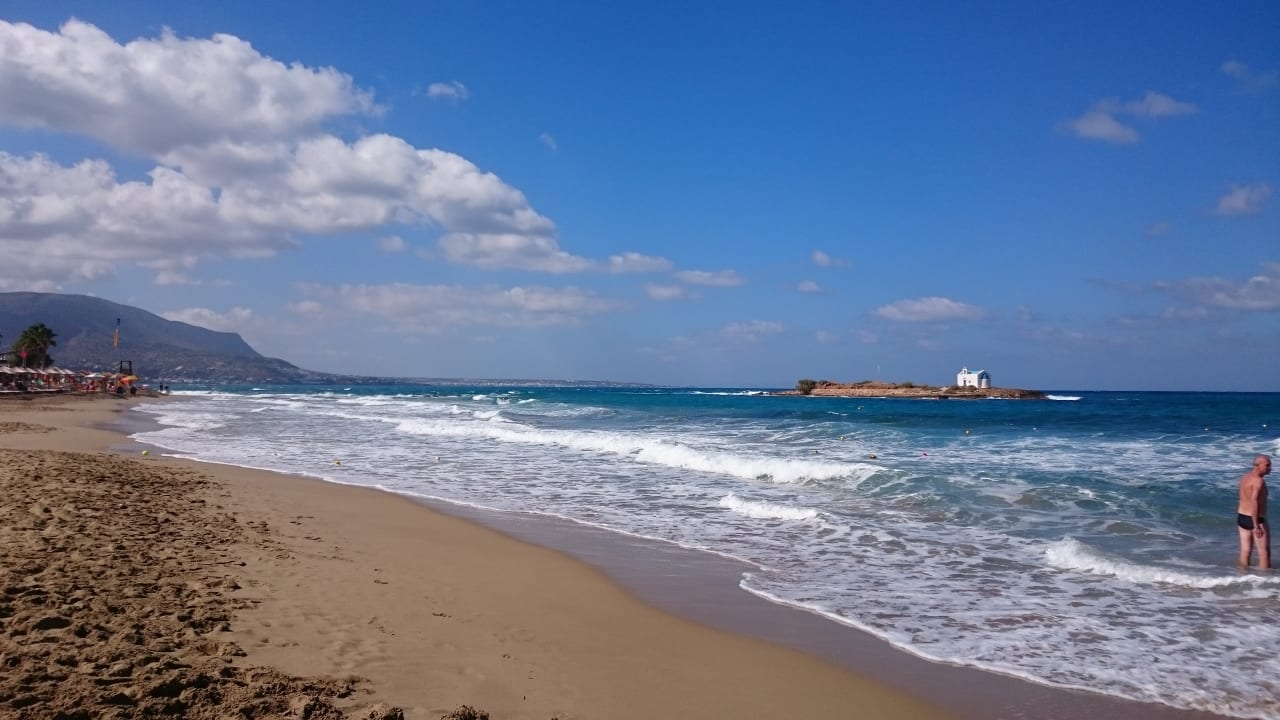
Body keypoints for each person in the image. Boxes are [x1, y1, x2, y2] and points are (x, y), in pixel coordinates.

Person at [1237, 454, 1271, 569]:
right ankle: (1266, 583)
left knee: (1245, 550)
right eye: (1267, 465)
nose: (1270, 467)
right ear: (1257, 465)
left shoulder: (1245, 477)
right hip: (1256, 519)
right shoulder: (1258, 481)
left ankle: (1241, 576)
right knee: (1264, 553)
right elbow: (1254, 501)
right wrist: (1256, 525)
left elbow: (1243, 497)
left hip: (1242, 517)